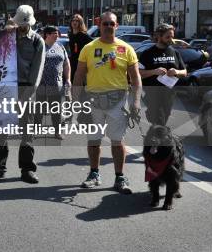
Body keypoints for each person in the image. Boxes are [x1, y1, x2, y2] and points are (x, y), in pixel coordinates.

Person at [74, 11, 141, 194]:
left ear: (116, 26)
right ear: (100, 25)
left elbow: (135, 79)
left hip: (118, 102)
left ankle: (120, 177)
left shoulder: (126, 49)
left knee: (117, 141)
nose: (109, 27)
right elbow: (79, 76)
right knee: (94, 140)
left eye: (112, 24)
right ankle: (94, 174)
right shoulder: (88, 48)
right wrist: (76, 101)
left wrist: (135, 102)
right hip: (93, 101)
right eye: (105, 24)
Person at [0, 5, 45, 184]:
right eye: (19, 24)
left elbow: (37, 72)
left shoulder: (37, 41)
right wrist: (5, 32)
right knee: (1, 129)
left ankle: (27, 169)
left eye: (24, 25)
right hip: (5, 87)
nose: (22, 27)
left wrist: (26, 96)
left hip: (26, 88)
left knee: (27, 131)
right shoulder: (8, 36)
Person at [138, 23, 187, 126]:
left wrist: (176, 72)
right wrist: (154, 71)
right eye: (167, 37)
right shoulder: (147, 53)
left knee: (164, 118)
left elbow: (185, 72)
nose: (171, 40)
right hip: (153, 93)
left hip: (169, 93)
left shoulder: (175, 52)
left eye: (172, 37)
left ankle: (156, 137)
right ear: (159, 36)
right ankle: (158, 137)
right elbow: (138, 73)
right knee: (158, 120)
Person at [38, 25, 71, 139]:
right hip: (41, 84)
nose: (57, 35)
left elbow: (66, 64)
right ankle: (35, 131)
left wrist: (68, 79)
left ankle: (57, 132)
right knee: (39, 109)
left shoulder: (60, 46)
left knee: (56, 109)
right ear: (47, 34)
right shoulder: (39, 47)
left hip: (57, 84)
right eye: (54, 33)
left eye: (58, 33)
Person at [68, 14, 93, 80]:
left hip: (81, 62)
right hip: (72, 62)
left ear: (80, 23)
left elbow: (93, 45)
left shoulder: (84, 35)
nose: (74, 22)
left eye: (77, 21)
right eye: (73, 20)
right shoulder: (70, 34)